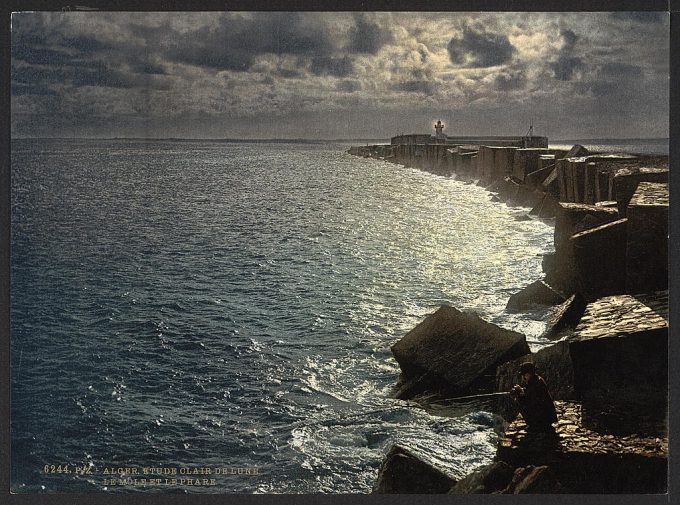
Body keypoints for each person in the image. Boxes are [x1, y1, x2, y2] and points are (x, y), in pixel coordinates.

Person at [510, 361, 557, 432]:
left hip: (545, 415)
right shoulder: (536, 379)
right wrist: (521, 390)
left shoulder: (536, 381)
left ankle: (534, 423)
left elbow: (531, 396)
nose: (523, 377)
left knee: (520, 400)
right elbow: (530, 391)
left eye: (524, 375)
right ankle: (534, 423)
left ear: (528, 374)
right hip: (546, 414)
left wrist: (520, 391)